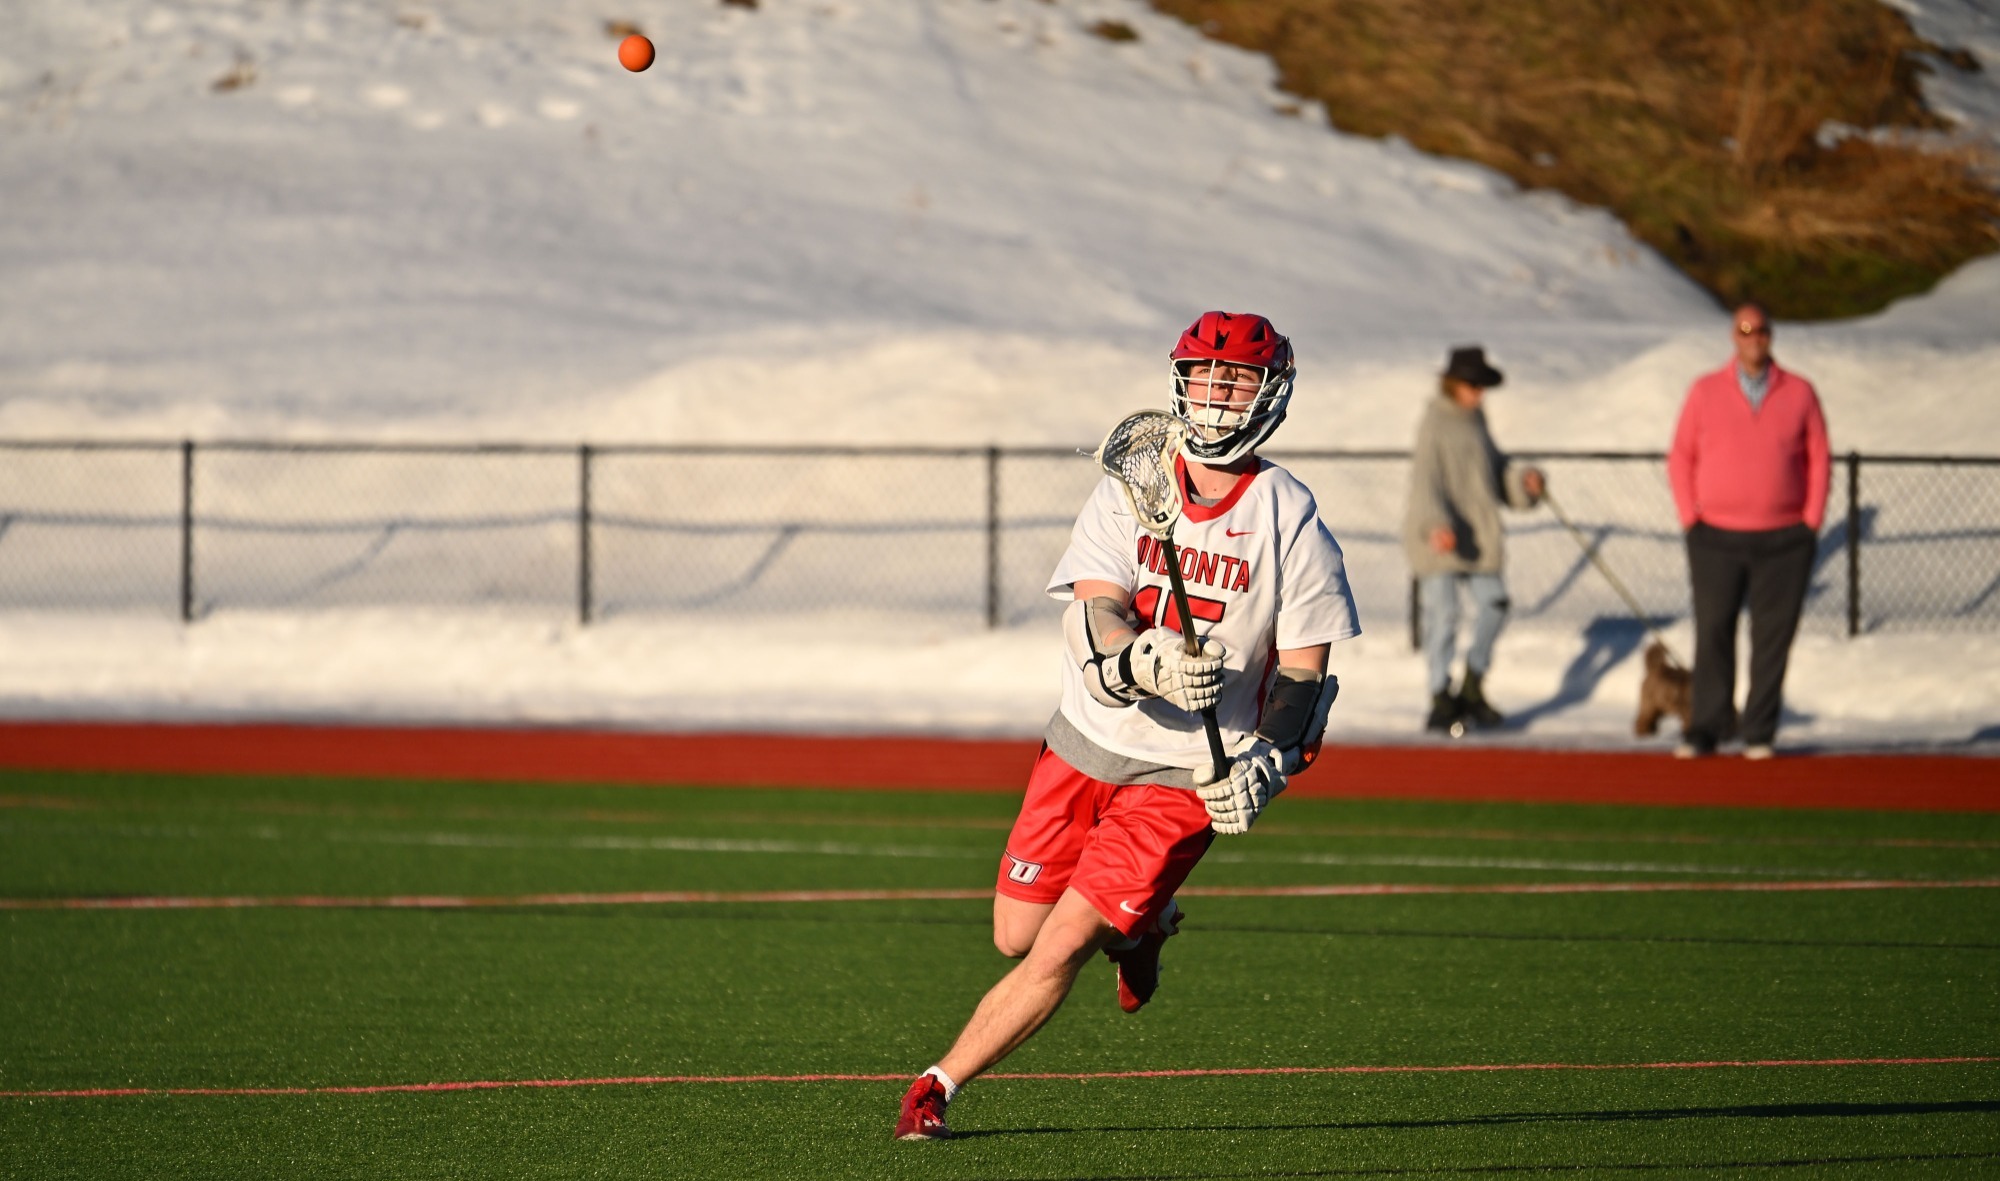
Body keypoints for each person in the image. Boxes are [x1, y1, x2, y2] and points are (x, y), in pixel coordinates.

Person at [893, 311, 1361, 1140]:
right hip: (1089, 740)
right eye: (1206, 376)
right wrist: (1141, 658)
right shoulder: (1134, 484)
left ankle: (937, 1085)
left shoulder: (1292, 516)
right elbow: (1094, 608)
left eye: (1237, 379)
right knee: (1014, 933)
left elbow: (1303, 673)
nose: (1217, 397)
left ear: (1271, 393)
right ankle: (1145, 925)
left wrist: (1267, 757)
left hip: (1184, 774)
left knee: (1061, 944)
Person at [1667, 303, 1829, 760]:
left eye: (1762, 330)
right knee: (1714, 629)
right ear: (1733, 337)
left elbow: (1819, 457)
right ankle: (1707, 726)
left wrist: (1811, 519)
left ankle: (1759, 731)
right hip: (1715, 535)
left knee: (1772, 636)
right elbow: (1681, 455)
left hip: (1784, 539)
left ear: (1771, 337)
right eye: (1745, 330)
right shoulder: (1705, 391)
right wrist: (1690, 517)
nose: (1754, 337)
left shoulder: (1799, 392)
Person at [1400, 345, 1544, 734]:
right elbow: (1425, 481)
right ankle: (1439, 695)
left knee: (1494, 604)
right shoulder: (1435, 422)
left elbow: (1496, 470)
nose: (1478, 392)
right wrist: (1434, 525)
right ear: (1453, 383)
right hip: (1439, 537)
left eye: (1482, 385)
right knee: (1443, 614)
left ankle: (1473, 685)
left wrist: (1523, 481)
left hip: (1478, 536)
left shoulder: (1476, 419)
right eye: (1472, 384)